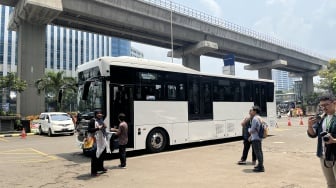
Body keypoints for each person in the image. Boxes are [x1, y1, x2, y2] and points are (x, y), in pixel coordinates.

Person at [307, 94, 336, 187]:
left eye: (326, 105)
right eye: (321, 106)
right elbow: (313, 134)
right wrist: (310, 125)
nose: (323, 108)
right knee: (330, 183)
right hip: (324, 155)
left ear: (334, 103)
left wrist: (334, 140)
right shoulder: (322, 118)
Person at [88, 109, 108, 176]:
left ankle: (101, 168)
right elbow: (89, 130)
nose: (100, 115)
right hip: (95, 141)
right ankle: (93, 172)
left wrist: (104, 127)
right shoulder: (92, 121)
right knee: (95, 156)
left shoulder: (101, 120)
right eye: (98, 113)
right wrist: (98, 128)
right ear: (95, 114)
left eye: (101, 113)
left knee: (102, 155)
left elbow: (103, 128)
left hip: (102, 140)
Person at [249, 105, 265, 172]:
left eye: (252, 110)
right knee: (260, 152)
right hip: (259, 137)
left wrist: (249, 130)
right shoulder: (259, 118)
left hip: (255, 138)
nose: (251, 111)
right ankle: (260, 165)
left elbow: (252, 129)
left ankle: (261, 167)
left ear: (255, 111)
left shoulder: (255, 119)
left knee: (257, 152)